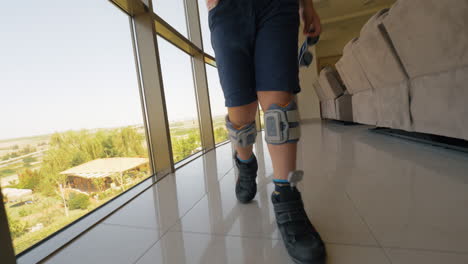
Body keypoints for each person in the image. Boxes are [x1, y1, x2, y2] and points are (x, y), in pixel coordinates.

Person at [207, 0, 325, 263]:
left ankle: (286, 196)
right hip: (226, 10)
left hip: (278, 6)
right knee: (240, 111)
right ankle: (246, 164)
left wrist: (307, 5)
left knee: (278, 106)